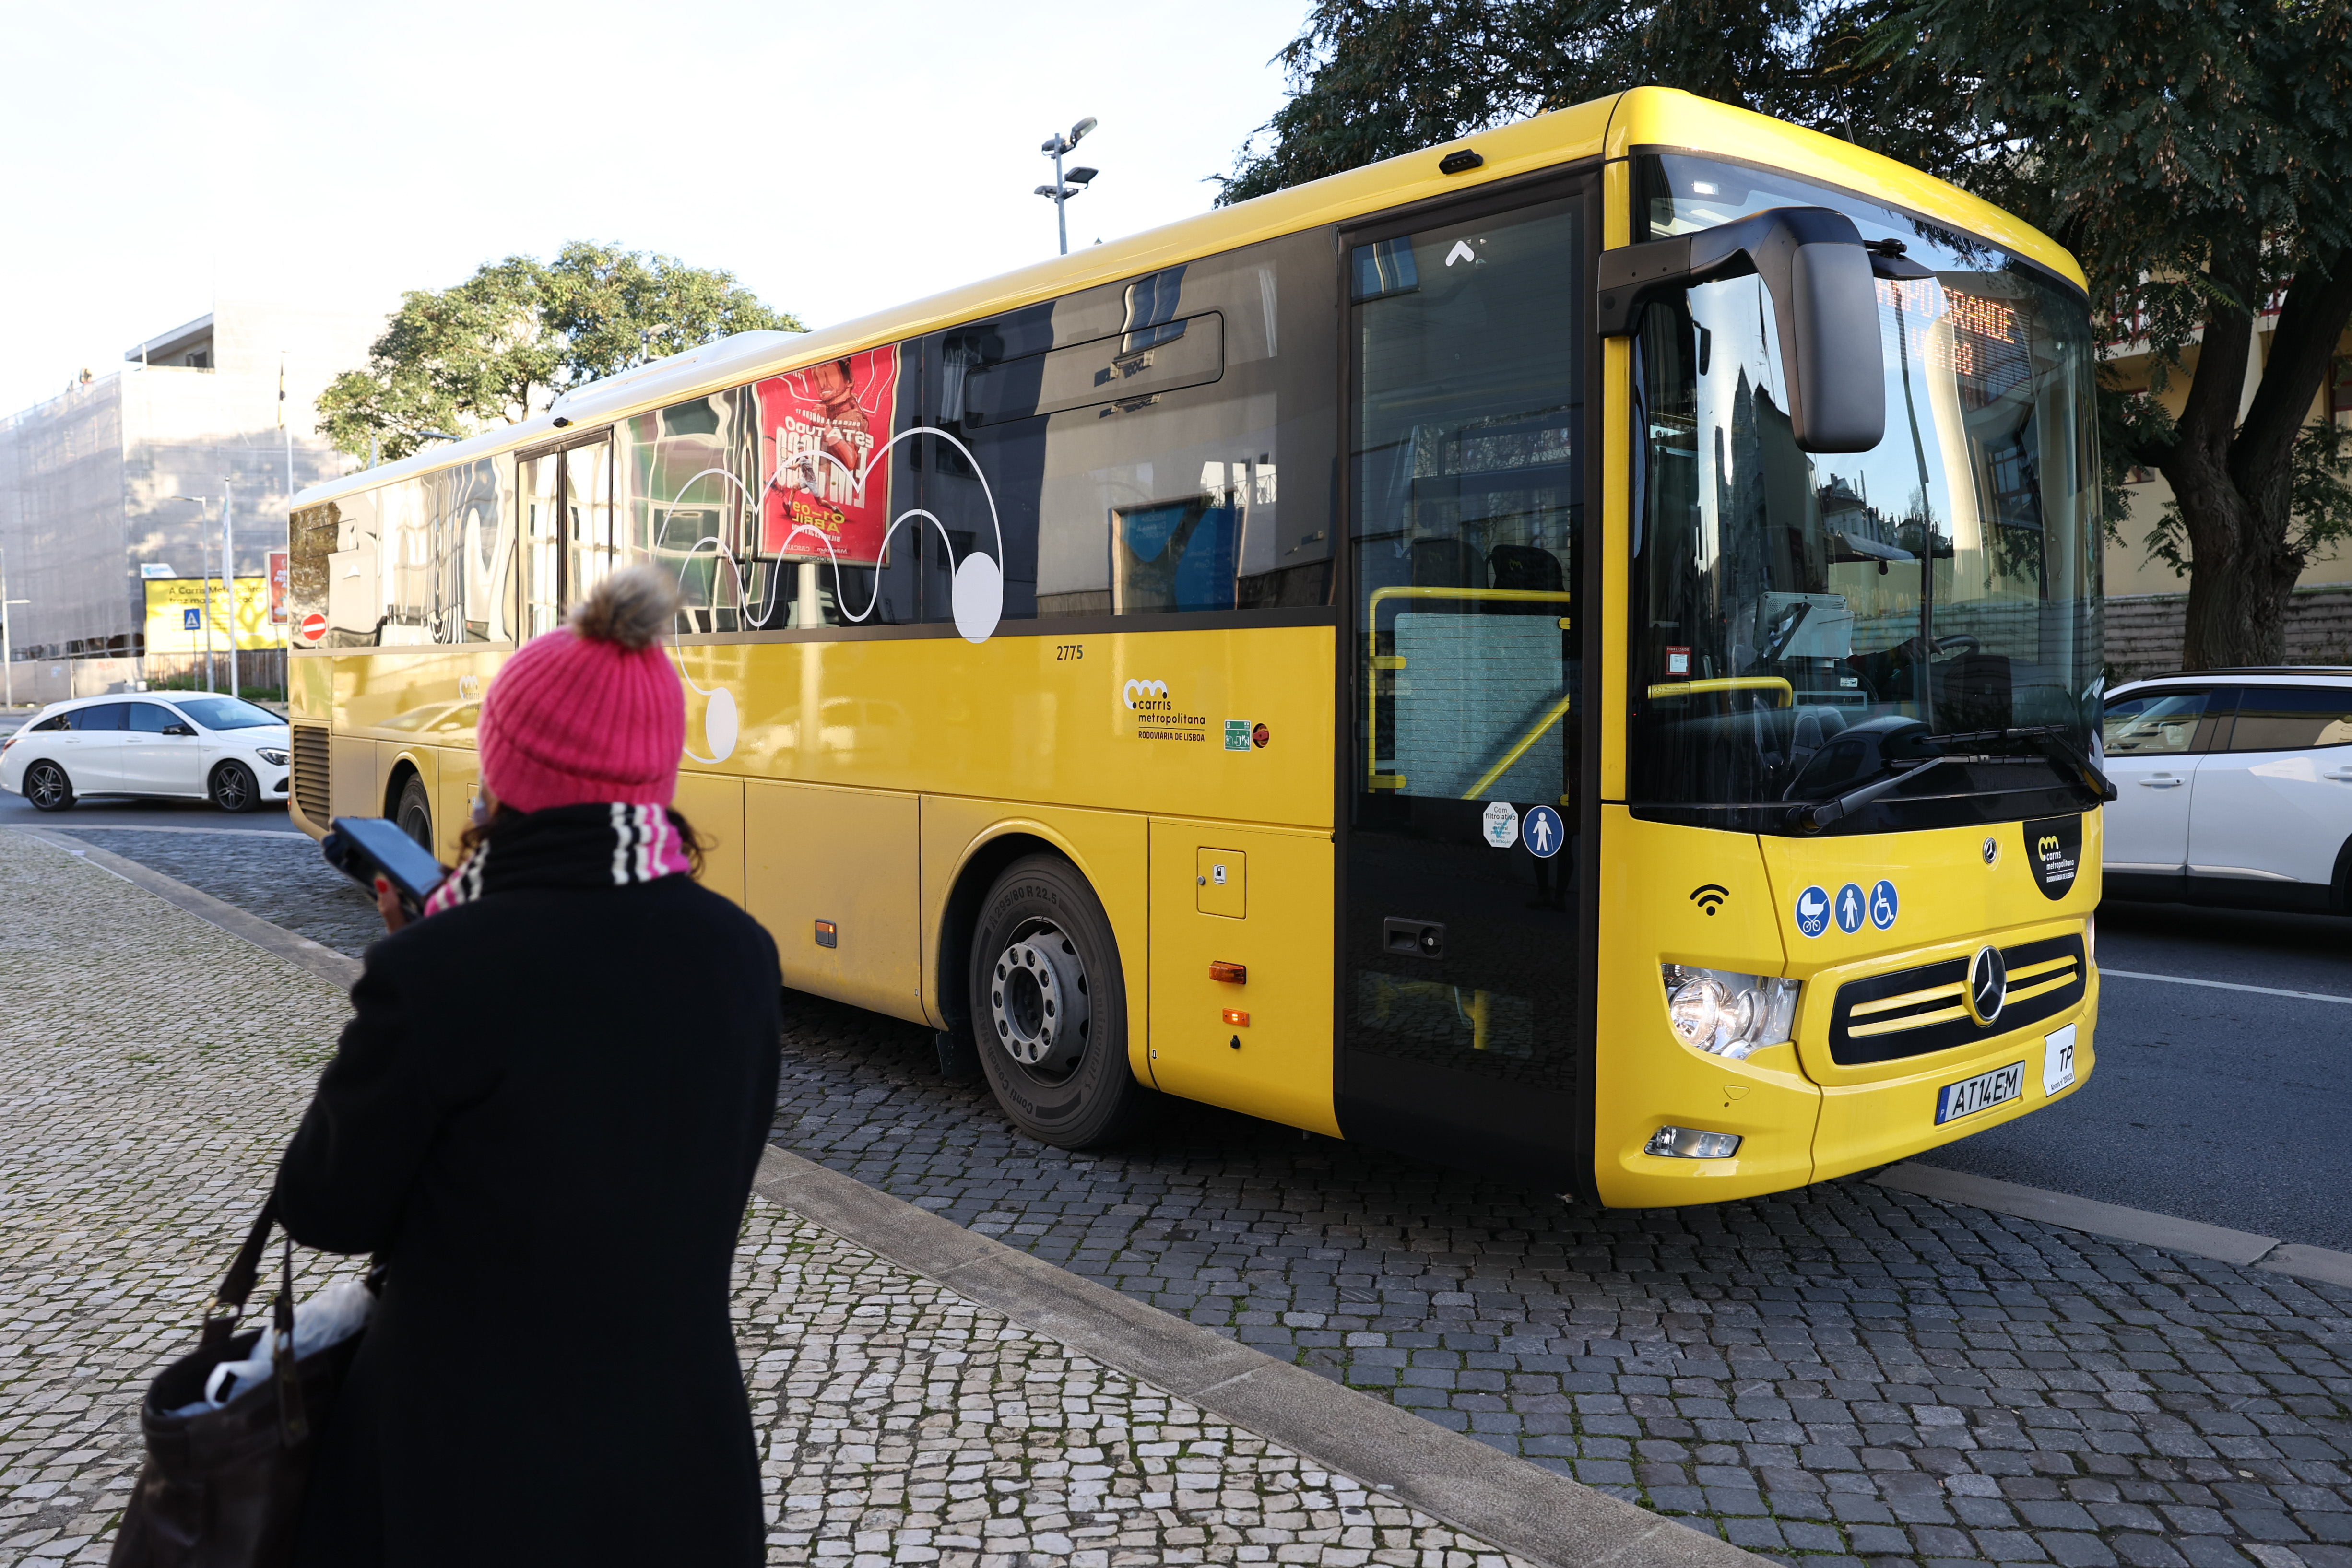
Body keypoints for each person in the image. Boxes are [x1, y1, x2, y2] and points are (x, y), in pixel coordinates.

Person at [274, 565, 781, 1567]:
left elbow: (324, 1209)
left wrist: (416, 966)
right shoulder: (741, 952)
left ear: (507, 768)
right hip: (679, 1464)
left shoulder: (440, 968)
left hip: (464, 1471)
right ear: (656, 768)